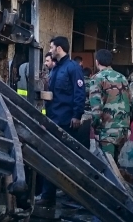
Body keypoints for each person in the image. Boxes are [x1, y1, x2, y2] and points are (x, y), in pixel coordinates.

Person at [36, 36, 86, 206]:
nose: (49, 50)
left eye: (51, 47)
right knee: (50, 157)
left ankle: (71, 195)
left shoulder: (73, 68)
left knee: (66, 160)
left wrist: (77, 115)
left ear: (58, 48)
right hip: (53, 120)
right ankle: (47, 196)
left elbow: (79, 93)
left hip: (66, 122)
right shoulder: (55, 69)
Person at [87, 49, 132, 158]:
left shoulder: (97, 79)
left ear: (97, 61)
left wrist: (95, 125)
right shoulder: (123, 78)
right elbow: (132, 104)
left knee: (107, 167)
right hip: (123, 130)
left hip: (106, 130)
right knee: (115, 164)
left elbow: (96, 108)